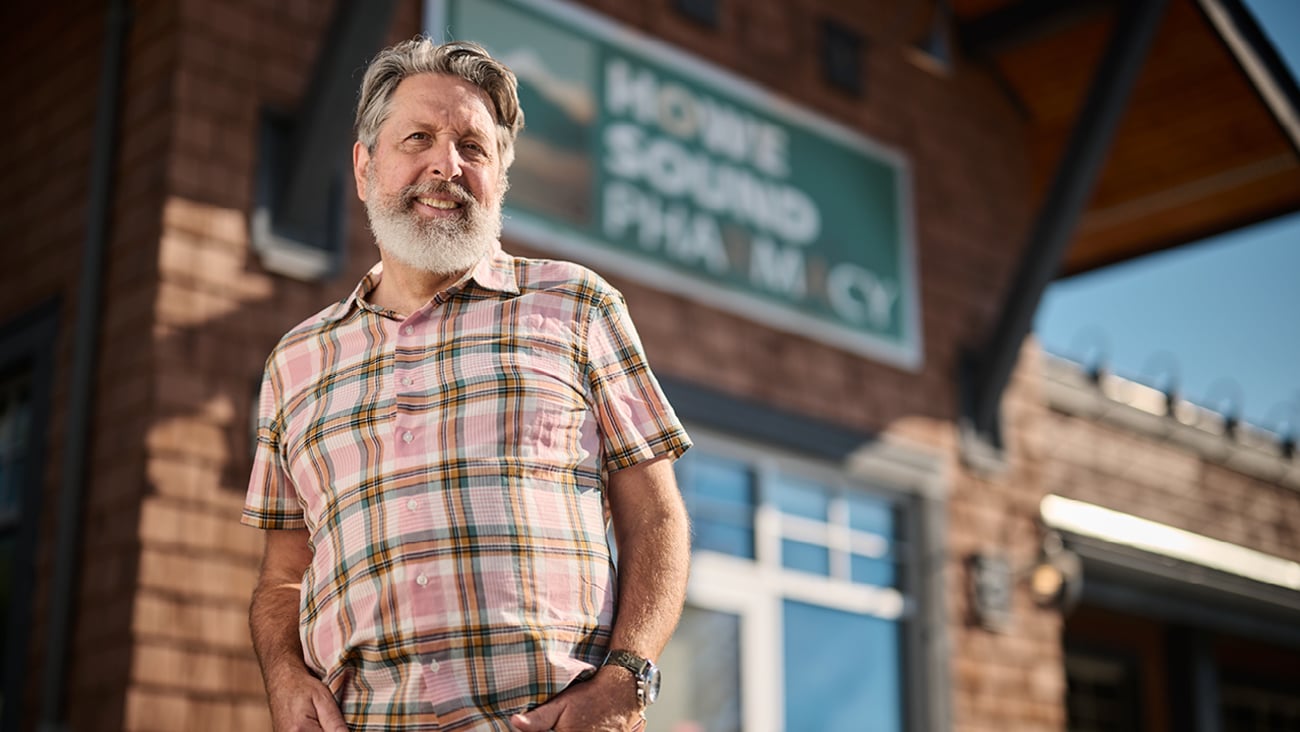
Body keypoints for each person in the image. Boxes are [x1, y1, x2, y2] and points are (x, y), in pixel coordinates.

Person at [242, 38, 692, 732]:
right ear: (365, 168)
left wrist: (627, 682)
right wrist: (282, 674)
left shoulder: (579, 308)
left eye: (473, 148)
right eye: (417, 138)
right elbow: (282, 573)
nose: (445, 165)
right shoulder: (295, 362)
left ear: (500, 180)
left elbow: (656, 517)